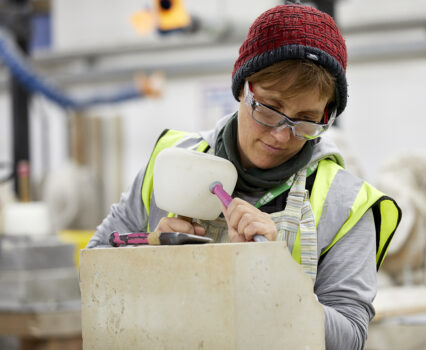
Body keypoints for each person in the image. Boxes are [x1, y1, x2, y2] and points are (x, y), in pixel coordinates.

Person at [87, 3, 401, 349]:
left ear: (327, 115)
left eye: (306, 120)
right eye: (268, 108)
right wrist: (151, 257)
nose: (282, 135)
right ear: (242, 88)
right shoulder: (171, 163)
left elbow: (350, 338)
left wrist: (275, 276)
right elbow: (96, 270)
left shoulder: (346, 204)